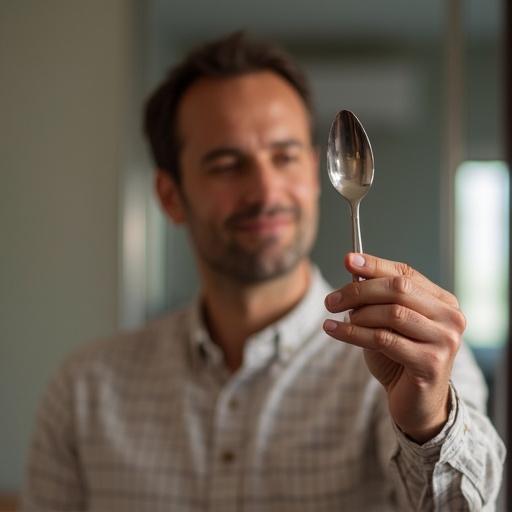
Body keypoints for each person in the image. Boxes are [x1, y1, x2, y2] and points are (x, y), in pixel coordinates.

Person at [23, 32, 505, 511]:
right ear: (171, 196)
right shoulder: (85, 390)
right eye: (227, 163)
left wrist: (426, 423)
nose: (266, 190)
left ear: (314, 173)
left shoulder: (420, 363)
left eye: (285, 156)